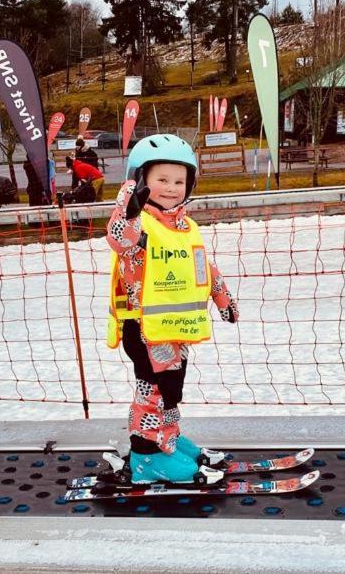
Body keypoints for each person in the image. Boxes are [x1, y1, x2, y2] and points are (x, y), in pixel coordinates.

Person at [106, 134, 240, 484]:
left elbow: (202, 267)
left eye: (179, 181)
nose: (171, 188)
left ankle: (168, 440)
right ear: (140, 181)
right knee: (151, 391)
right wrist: (128, 205)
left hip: (175, 330)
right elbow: (118, 237)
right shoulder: (139, 225)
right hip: (146, 329)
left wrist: (222, 298)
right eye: (161, 180)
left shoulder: (184, 227)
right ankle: (146, 457)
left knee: (170, 389)